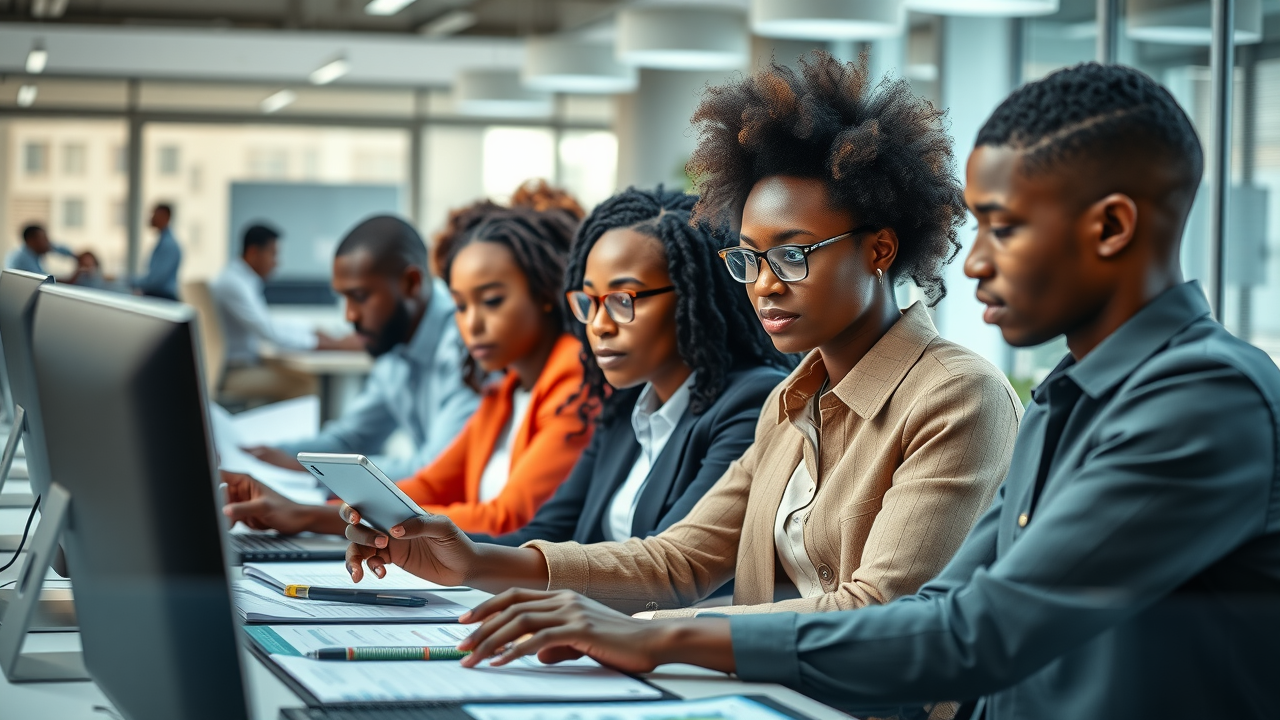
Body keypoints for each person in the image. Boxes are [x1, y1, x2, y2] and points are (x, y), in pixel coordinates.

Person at [428, 63, 1280, 720]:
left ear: (1112, 227)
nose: (975, 261)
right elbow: (952, 605)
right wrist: (483, 564)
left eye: (1006, 228)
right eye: (979, 227)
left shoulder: (1200, 402)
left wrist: (653, 635)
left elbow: (974, 634)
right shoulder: (1070, 394)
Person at [344, 52, 1022, 621]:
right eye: (749, 260)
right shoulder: (791, 402)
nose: (763, 284)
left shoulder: (957, 395)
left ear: (879, 250)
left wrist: (647, 634)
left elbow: (876, 611)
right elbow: (679, 558)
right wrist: (473, 559)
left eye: (792, 254)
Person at [226, 205, 593, 536]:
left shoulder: (572, 378)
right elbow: (430, 486)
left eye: (492, 301)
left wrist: (310, 517)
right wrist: (308, 513)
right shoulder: (508, 389)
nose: (471, 326)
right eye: (462, 306)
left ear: (545, 294)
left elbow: (505, 519)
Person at [471, 186, 791, 548]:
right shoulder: (627, 406)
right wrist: (433, 547)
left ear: (691, 298)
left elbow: (666, 563)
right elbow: (542, 536)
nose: (598, 325)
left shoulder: (751, 402)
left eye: (623, 300)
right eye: (589, 301)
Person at [241, 215, 479, 479]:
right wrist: (261, 456)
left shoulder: (469, 345)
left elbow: (434, 473)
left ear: (411, 283)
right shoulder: (396, 343)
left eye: (360, 297)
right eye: (344, 298)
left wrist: (310, 475)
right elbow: (349, 441)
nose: (349, 316)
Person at [210, 223, 362, 401]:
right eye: (272, 254)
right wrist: (333, 345)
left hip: (237, 367)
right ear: (253, 252)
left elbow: (269, 323)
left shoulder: (238, 281)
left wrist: (312, 331)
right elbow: (269, 331)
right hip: (232, 373)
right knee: (306, 383)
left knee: (297, 375)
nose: (276, 263)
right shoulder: (233, 285)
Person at [133, 203, 182, 300]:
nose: (152, 218)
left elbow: (156, 280)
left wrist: (128, 281)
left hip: (163, 299)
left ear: (165, 217)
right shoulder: (163, 242)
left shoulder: (168, 245)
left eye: (155, 214)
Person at [5, 224, 75, 275]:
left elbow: (55, 247)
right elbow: (43, 282)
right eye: (43, 238)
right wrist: (75, 276)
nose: (47, 241)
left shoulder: (32, 252)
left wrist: (75, 256)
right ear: (31, 240)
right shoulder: (22, 258)